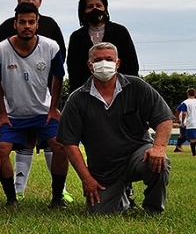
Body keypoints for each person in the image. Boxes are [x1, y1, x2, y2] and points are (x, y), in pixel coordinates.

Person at [58, 42, 172, 213]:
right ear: (90, 65)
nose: (104, 64)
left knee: (159, 162)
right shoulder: (77, 99)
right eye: (98, 60)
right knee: (99, 212)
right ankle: (123, 196)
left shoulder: (137, 87)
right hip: (104, 168)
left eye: (109, 59)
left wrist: (159, 147)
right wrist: (87, 179)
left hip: (137, 155)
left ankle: (153, 209)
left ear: (117, 63)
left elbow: (164, 117)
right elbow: (69, 142)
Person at [0, 0, 68, 201]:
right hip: (14, 116)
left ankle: (57, 197)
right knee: (0, 151)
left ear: (37, 23)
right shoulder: (1, 50)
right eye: (22, 22)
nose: (27, 26)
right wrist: (2, 114)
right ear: (15, 24)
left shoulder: (51, 47)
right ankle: (11, 199)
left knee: (61, 146)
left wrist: (53, 108)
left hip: (43, 114)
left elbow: (58, 77)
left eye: (31, 22)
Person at [67, 0, 139, 92]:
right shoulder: (77, 37)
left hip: (119, 91)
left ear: (105, 9)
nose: (95, 9)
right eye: (90, 7)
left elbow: (132, 64)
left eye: (98, 6)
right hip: (87, 93)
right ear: (83, 11)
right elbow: (73, 70)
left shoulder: (120, 32)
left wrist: (125, 89)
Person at [179, 89, 196, 156]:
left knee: (192, 138)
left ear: (187, 94)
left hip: (191, 122)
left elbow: (184, 113)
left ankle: (194, 153)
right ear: (195, 94)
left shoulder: (185, 102)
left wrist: (183, 121)